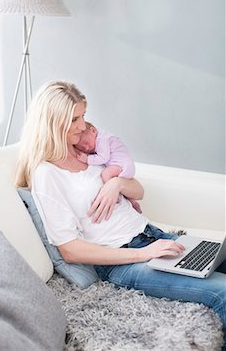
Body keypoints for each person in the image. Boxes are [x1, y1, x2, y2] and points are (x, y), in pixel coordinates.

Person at [15, 80, 226, 349]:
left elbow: (138, 190)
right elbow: (70, 250)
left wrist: (116, 184)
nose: (83, 126)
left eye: (83, 116)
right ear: (52, 122)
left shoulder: (86, 150)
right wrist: (145, 254)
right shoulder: (47, 174)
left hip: (152, 234)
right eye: (74, 119)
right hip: (124, 261)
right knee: (223, 294)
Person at [75, 121, 142, 213]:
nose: (86, 148)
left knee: (106, 174)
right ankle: (132, 202)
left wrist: (87, 159)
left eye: (86, 143)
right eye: (82, 148)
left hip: (122, 165)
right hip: (122, 165)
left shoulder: (102, 139)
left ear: (93, 131)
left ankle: (115, 196)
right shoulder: (97, 139)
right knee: (117, 183)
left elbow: (103, 158)